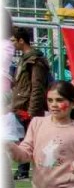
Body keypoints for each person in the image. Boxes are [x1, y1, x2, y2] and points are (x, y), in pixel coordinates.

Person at [10, 26, 49, 180]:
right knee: (25, 140)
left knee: (33, 141)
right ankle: (23, 170)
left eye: (13, 40)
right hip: (21, 105)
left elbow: (37, 86)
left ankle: (39, 170)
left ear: (21, 40)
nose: (12, 44)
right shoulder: (24, 58)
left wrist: (32, 111)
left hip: (29, 107)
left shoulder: (35, 60)